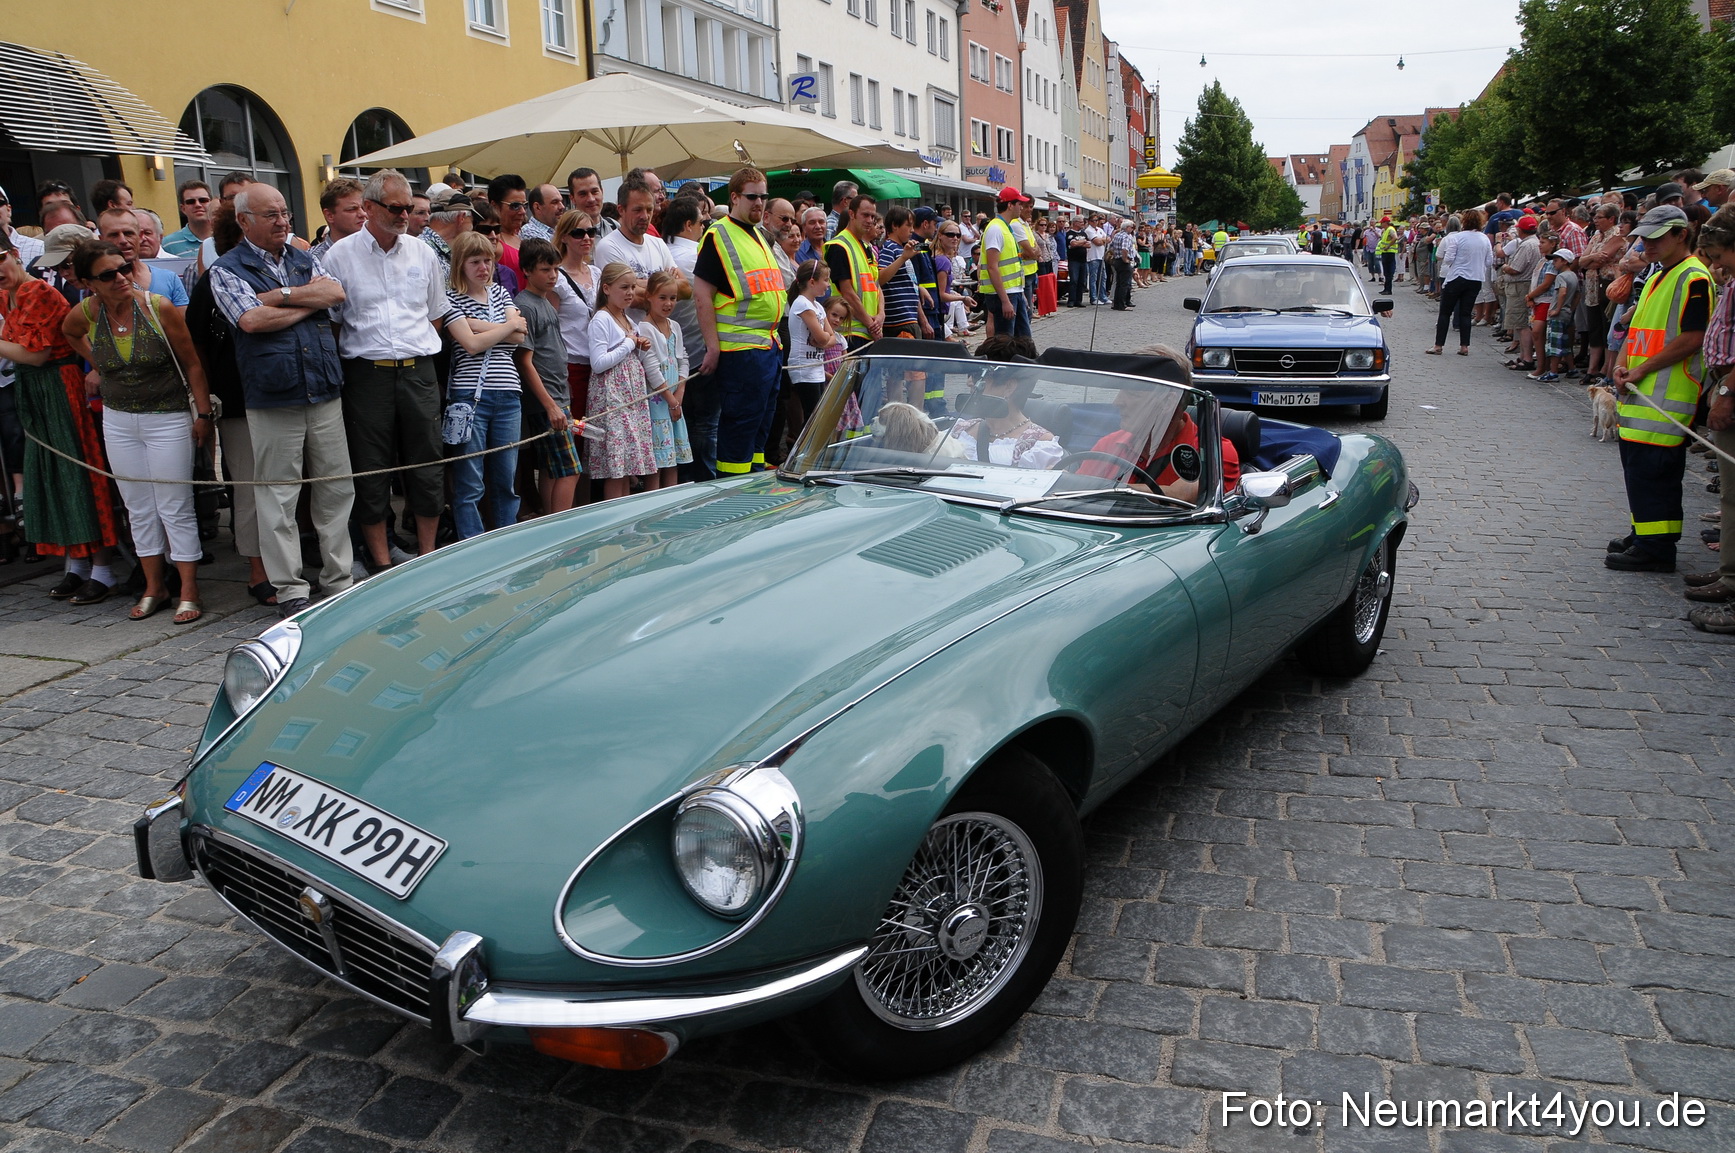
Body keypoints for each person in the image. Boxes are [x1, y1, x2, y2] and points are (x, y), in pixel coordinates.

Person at [209, 182, 353, 618]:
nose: (282, 221)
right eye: (270, 215)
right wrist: (307, 301)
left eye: (285, 212)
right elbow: (251, 320)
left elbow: (335, 294)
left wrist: (284, 297)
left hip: (323, 388)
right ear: (244, 221)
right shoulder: (226, 269)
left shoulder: (303, 257)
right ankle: (290, 588)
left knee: (335, 488)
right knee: (278, 497)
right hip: (273, 396)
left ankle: (339, 579)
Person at [60, 239, 212, 623]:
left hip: (168, 415)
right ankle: (154, 587)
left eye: (124, 269)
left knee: (173, 505)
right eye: (108, 275)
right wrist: (97, 361)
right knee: (138, 507)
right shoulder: (88, 312)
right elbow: (67, 330)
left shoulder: (157, 307)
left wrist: (204, 414)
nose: (120, 278)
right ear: (89, 283)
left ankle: (190, 590)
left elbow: (192, 363)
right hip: (119, 419)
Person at [321, 169, 447, 569]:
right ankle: (381, 561)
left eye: (409, 208)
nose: (405, 215)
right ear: (369, 208)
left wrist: (412, 350)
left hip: (418, 370)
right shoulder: (339, 255)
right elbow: (334, 321)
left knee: (427, 462)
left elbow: (436, 315)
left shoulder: (422, 251)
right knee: (370, 468)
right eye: (396, 208)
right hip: (366, 374)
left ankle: (426, 555)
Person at [0, 231, 122, 602]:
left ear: (15, 254)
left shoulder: (37, 291)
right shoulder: (11, 294)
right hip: (34, 389)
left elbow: (34, 353)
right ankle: (77, 563)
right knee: (50, 476)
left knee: (77, 474)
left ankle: (102, 568)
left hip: (59, 386)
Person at [1605, 205, 1713, 573]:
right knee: (1641, 471)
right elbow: (1638, 332)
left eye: (1655, 238)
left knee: (1654, 472)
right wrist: (1622, 367)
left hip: (1665, 393)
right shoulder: (1659, 275)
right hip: (1642, 389)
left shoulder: (1693, 277)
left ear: (1681, 235)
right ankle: (1647, 535)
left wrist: (1640, 370)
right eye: (1643, 238)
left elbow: (1692, 339)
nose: (1646, 245)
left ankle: (1656, 548)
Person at [184, 202, 274, 605]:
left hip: (284, 395)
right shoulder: (212, 283)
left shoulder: (284, 271)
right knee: (251, 488)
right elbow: (197, 347)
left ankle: (285, 561)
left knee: (287, 486)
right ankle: (259, 569)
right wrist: (205, 405)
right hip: (239, 400)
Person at [692, 167, 785, 476]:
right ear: (734, 197)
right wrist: (713, 347)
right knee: (739, 430)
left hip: (768, 347)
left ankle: (755, 486)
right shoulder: (718, 235)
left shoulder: (759, 234)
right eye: (752, 197)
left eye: (763, 196)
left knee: (760, 430)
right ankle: (734, 493)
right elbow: (702, 295)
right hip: (741, 351)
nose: (759, 203)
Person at [441, 231, 526, 538]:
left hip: (508, 393)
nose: (484, 268)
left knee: (505, 477)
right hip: (469, 395)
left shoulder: (501, 294)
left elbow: (520, 338)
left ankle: (507, 539)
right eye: (475, 261)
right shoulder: (449, 298)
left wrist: (478, 327)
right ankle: (471, 542)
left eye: (488, 260)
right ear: (460, 264)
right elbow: (470, 345)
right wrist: (506, 326)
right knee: (470, 480)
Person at [1685, 205, 1735, 629]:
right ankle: (1729, 574)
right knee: (1730, 495)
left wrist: (1728, 392)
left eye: (1718, 255)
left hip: (1731, 388)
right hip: (1722, 382)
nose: (1715, 264)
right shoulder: (1729, 278)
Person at [513, 237, 580, 514]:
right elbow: (525, 360)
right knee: (570, 469)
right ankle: (561, 527)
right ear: (527, 270)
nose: (552, 275)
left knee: (554, 469)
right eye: (545, 269)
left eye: (555, 269)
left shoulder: (543, 302)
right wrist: (550, 405)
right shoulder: (526, 305)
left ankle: (550, 519)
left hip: (558, 393)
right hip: (547, 400)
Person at [587, 262, 658, 499]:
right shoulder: (602, 319)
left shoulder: (626, 319)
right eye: (623, 287)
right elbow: (598, 363)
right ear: (606, 288)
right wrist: (629, 343)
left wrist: (639, 345)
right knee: (615, 467)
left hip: (630, 396)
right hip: (612, 397)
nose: (630, 293)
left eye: (632, 287)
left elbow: (628, 350)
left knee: (627, 466)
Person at [946, 362, 1063, 468]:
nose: (969, 382)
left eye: (979, 374)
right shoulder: (959, 430)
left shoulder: (1039, 446)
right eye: (969, 373)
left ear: (1009, 387)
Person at [637, 268, 692, 489]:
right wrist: (670, 399)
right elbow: (651, 368)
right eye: (662, 298)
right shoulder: (644, 328)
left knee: (673, 460)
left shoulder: (675, 327)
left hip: (674, 399)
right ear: (649, 296)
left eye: (672, 298)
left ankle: (672, 501)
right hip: (659, 402)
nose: (668, 303)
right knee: (658, 459)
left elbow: (683, 359)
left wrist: (680, 392)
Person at [594, 174, 678, 314]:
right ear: (621, 210)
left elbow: (686, 288)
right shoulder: (608, 246)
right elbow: (630, 298)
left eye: (649, 210)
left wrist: (641, 284)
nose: (645, 216)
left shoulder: (658, 244)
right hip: (627, 333)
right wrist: (667, 285)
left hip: (660, 333)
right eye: (638, 210)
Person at [552, 208, 601, 437]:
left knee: (598, 434)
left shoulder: (596, 272)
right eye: (578, 233)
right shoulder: (556, 277)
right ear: (563, 237)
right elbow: (550, 328)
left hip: (600, 364)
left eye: (590, 231)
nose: (586, 238)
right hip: (572, 366)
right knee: (578, 433)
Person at [1428, 209, 1493, 356]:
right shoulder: (1484, 239)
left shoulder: (1458, 238)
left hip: (1457, 277)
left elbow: (1449, 259)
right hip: (1475, 278)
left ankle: (1438, 345)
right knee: (1465, 313)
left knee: (1445, 312)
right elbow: (1489, 261)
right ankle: (1464, 346)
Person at [825, 195, 884, 350]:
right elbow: (847, 293)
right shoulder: (839, 246)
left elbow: (876, 285)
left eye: (872, 216)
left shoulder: (867, 247)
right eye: (865, 215)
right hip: (850, 333)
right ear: (851, 214)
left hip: (868, 330)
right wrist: (872, 324)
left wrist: (881, 315)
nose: (870, 220)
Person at [97, 209, 189, 306]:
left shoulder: (169, 279)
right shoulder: (97, 283)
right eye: (114, 235)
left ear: (139, 236)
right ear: (101, 240)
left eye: (128, 233)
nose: (123, 240)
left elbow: (182, 320)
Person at [786, 259, 839, 422]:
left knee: (817, 414)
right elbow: (823, 338)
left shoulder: (818, 306)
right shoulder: (802, 304)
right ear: (812, 282)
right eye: (825, 280)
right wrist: (824, 338)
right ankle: (806, 447)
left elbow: (832, 339)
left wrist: (824, 339)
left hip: (816, 366)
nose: (828, 284)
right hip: (804, 366)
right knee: (813, 416)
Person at [982, 188, 1033, 338]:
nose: (1022, 208)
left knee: (1023, 340)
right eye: (1019, 204)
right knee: (1004, 342)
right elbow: (992, 267)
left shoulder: (1006, 227)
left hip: (1013, 292)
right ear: (1010, 205)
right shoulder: (996, 229)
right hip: (1002, 295)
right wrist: (1005, 300)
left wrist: (1020, 292)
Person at [1499, 215, 1543, 369]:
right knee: (1520, 323)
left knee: (1522, 323)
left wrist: (1504, 267)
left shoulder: (1527, 245)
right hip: (1524, 285)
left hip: (1520, 286)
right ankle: (1523, 356)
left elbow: (1515, 269)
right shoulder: (1535, 243)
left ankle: (1527, 358)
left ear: (1519, 229)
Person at [1534, 248, 1579, 382]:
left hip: (1558, 315)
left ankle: (1553, 372)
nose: (1554, 263)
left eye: (1556, 260)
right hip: (1567, 313)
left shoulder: (1561, 276)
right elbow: (1577, 294)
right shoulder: (1573, 275)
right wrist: (1571, 308)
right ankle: (1572, 369)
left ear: (1565, 261)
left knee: (1554, 344)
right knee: (1565, 343)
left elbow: (1562, 292)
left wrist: (1557, 309)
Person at [308, 177, 366, 261]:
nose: (363, 214)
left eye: (364, 208)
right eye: (352, 209)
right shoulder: (312, 260)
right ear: (329, 215)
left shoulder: (379, 250)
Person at [487, 174, 530, 282]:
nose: (523, 211)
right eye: (515, 206)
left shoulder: (520, 236)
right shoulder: (492, 242)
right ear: (495, 206)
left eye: (524, 205)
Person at [162, 181, 213, 257]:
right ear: (183, 209)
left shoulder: (228, 238)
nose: (198, 205)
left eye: (203, 200)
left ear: (212, 204)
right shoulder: (168, 244)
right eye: (191, 202)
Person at [566, 168, 618, 239]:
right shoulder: (566, 233)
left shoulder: (615, 227)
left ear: (602, 191)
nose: (591, 199)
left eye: (594, 192)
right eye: (583, 194)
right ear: (572, 198)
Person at [1109, 218, 1137, 311]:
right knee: (1124, 284)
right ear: (1128, 227)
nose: (1132, 229)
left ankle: (1116, 304)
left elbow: (1111, 247)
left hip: (1117, 261)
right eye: (1132, 227)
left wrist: (1116, 255)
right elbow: (1125, 249)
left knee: (1119, 283)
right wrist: (1125, 259)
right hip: (1123, 261)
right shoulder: (1126, 236)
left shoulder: (1117, 235)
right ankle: (1122, 305)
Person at [1034, 218, 1059, 315]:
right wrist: (1038, 256)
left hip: (1049, 259)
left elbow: (1051, 247)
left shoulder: (1048, 235)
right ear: (1038, 225)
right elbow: (1035, 247)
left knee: (1049, 282)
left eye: (1045, 225)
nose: (1044, 227)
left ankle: (1049, 306)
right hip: (1041, 260)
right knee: (1043, 284)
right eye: (1041, 225)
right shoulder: (1035, 235)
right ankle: (1042, 307)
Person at [1086, 214, 1110, 305]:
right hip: (1093, 257)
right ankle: (1093, 297)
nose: (1095, 222)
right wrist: (1103, 240)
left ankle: (1102, 296)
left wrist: (1102, 240)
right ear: (1089, 221)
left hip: (1101, 256)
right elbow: (1097, 242)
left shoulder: (1100, 230)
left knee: (1103, 277)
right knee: (1094, 278)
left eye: (1097, 220)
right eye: (1093, 220)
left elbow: (1108, 239)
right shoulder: (1089, 230)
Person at [1066, 219, 1089, 306]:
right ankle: (1071, 300)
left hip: (1083, 260)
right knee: (1074, 281)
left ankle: (1078, 301)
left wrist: (1079, 243)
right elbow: (1073, 244)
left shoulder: (1083, 233)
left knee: (1081, 281)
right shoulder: (1070, 233)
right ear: (1075, 223)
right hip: (1073, 261)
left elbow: (1089, 244)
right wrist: (1083, 242)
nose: (1082, 223)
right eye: (1080, 222)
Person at [1376, 215, 1400, 295]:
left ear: (1385, 223)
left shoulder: (1390, 229)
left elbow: (1395, 238)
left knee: (1388, 272)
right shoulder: (1386, 230)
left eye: (1382, 223)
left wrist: (1388, 246)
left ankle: (1388, 289)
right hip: (1386, 252)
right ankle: (1386, 288)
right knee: (1386, 272)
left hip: (1389, 252)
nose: (1381, 224)